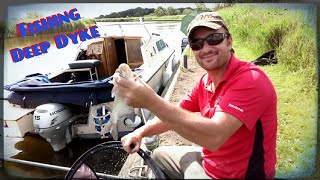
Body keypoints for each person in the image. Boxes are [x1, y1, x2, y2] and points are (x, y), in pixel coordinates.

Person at [117, 11, 277, 179]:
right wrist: (140, 132)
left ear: (229, 41)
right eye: (197, 44)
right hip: (210, 162)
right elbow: (174, 113)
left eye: (214, 39)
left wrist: (151, 101)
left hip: (238, 175)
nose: (206, 48)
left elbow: (215, 137)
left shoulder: (251, 80)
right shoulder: (205, 82)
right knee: (158, 156)